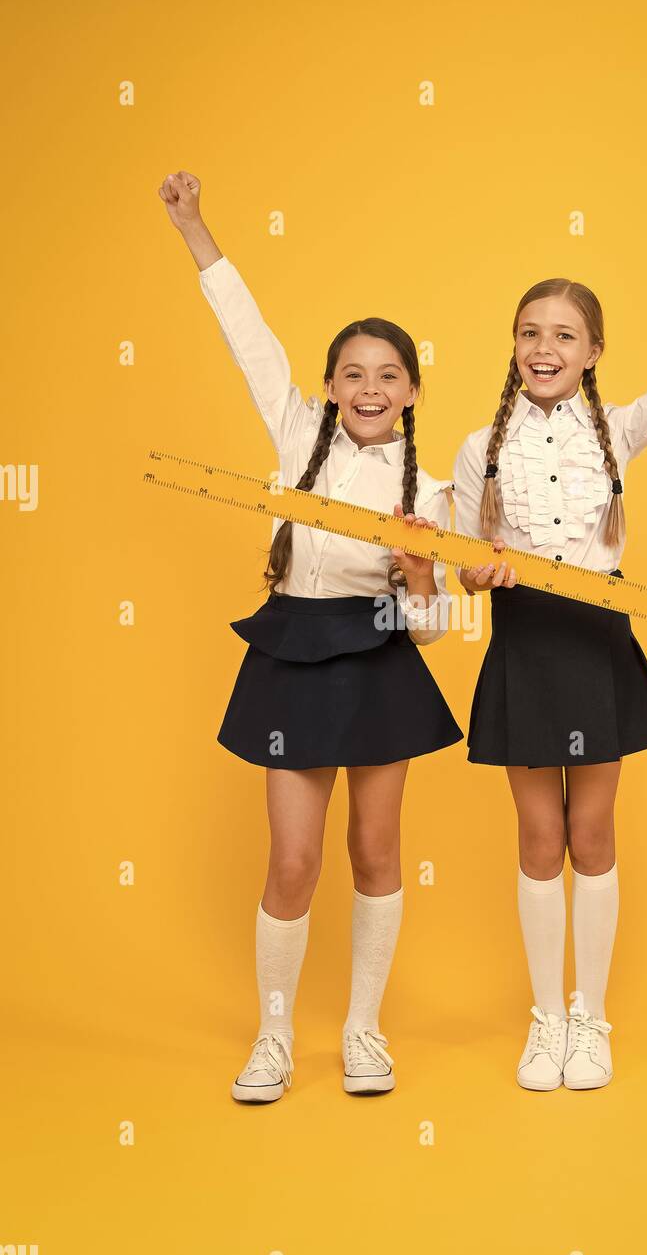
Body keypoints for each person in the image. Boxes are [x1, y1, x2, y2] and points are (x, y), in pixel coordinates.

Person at [158, 170, 462, 1103]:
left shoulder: (434, 495)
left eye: (388, 376)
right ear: (330, 388)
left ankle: (364, 1033)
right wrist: (196, 229)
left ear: (410, 392)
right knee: (292, 858)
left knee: (375, 852)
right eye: (352, 374)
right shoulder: (297, 440)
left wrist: (419, 574)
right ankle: (275, 1038)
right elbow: (248, 338)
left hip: (377, 659)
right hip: (292, 653)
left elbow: (441, 625)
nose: (369, 388)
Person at [452, 193, 647, 1091]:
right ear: (513, 348)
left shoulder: (616, 431)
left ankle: (591, 1017)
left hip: (594, 645)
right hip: (520, 647)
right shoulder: (480, 448)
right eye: (527, 333)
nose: (541, 349)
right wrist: (479, 573)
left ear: (591, 353)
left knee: (591, 833)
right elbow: (463, 562)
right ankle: (543, 1020)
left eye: (561, 335)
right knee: (537, 838)